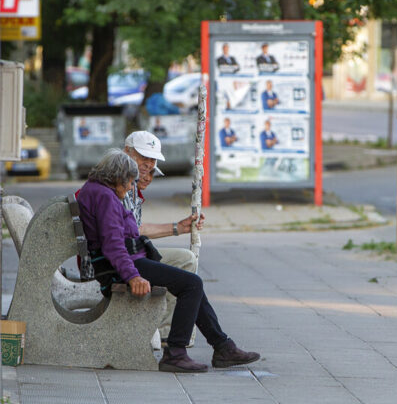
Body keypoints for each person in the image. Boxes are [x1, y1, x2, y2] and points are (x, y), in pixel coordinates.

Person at [77, 149, 260, 373]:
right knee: (192, 285)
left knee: (191, 282)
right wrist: (132, 276)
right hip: (119, 267)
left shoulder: (98, 191)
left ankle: (223, 347)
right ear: (117, 177)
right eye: (129, 182)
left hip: (126, 261)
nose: (130, 188)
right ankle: (176, 353)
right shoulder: (105, 196)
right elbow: (113, 245)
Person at [123, 131, 200, 343]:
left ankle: (175, 330)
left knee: (187, 269)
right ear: (126, 153)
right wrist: (132, 274)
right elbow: (124, 236)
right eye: (143, 158)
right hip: (121, 261)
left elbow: (135, 230)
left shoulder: (130, 188)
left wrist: (177, 228)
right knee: (188, 273)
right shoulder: (120, 186)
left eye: (152, 160)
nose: (148, 167)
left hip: (128, 256)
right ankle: (170, 332)